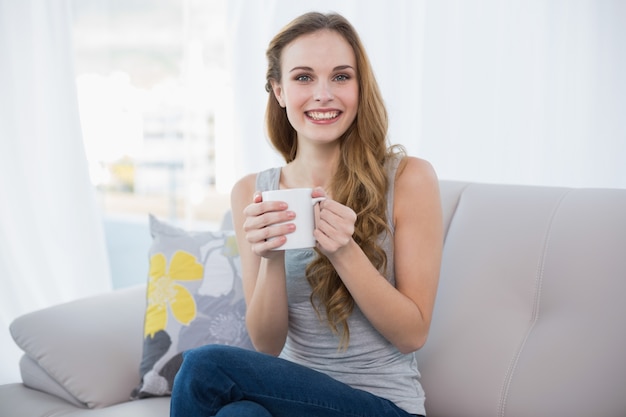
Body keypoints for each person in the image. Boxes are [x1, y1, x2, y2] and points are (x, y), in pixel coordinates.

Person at [170, 11, 442, 417]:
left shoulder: (409, 178)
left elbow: (412, 334)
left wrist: (344, 251)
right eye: (303, 78)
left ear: (359, 86)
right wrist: (272, 257)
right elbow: (267, 344)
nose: (323, 94)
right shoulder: (251, 191)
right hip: (292, 401)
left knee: (203, 365)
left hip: (385, 405)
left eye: (340, 76)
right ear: (278, 91)